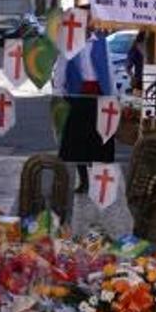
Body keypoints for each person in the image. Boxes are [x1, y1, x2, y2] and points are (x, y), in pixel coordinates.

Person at [52, 18, 118, 194]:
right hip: (78, 96)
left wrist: (113, 95)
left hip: (100, 96)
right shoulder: (70, 44)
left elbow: (108, 69)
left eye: (89, 21)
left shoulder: (101, 42)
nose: (88, 25)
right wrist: (58, 92)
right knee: (79, 141)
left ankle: (99, 182)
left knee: (100, 141)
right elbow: (60, 67)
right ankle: (84, 180)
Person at [126, 30, 146, 95]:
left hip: (150, 80)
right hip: (139, 81)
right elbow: (128, 67)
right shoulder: (134, 51)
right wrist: (133, 78)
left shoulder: (153, 50)